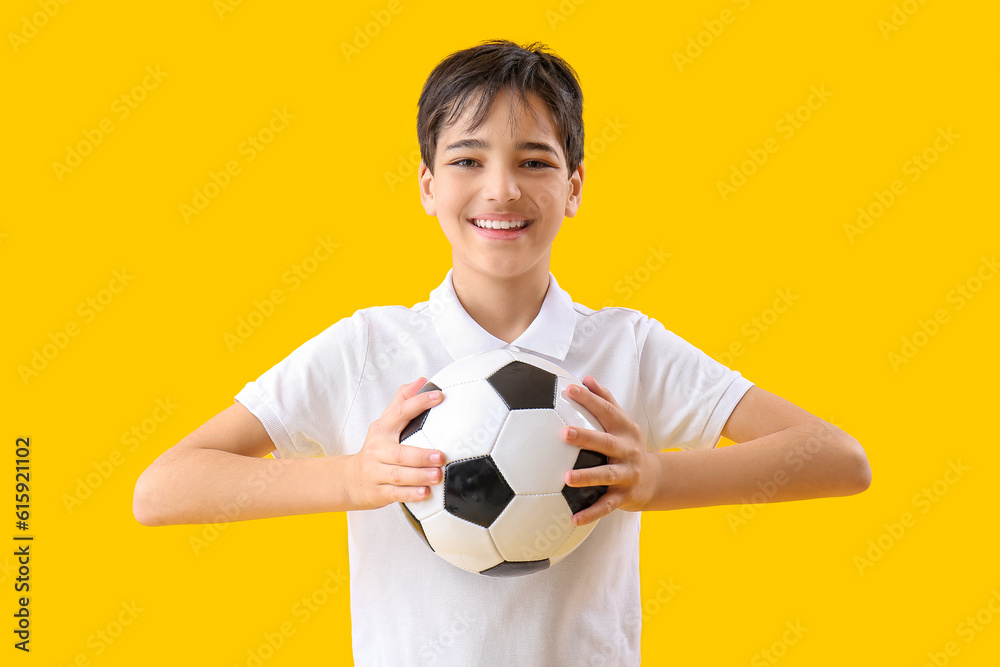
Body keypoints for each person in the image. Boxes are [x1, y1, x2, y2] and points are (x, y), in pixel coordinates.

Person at [134, 39, 872, 665]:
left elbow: (838, 458)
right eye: (465, 160)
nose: (500, 190)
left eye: (535, 162)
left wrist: (656, 477)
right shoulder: (366, 347)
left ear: (575, 185)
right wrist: (355, 476)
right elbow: (162, 490)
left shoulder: (626, 346)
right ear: (426, 185)